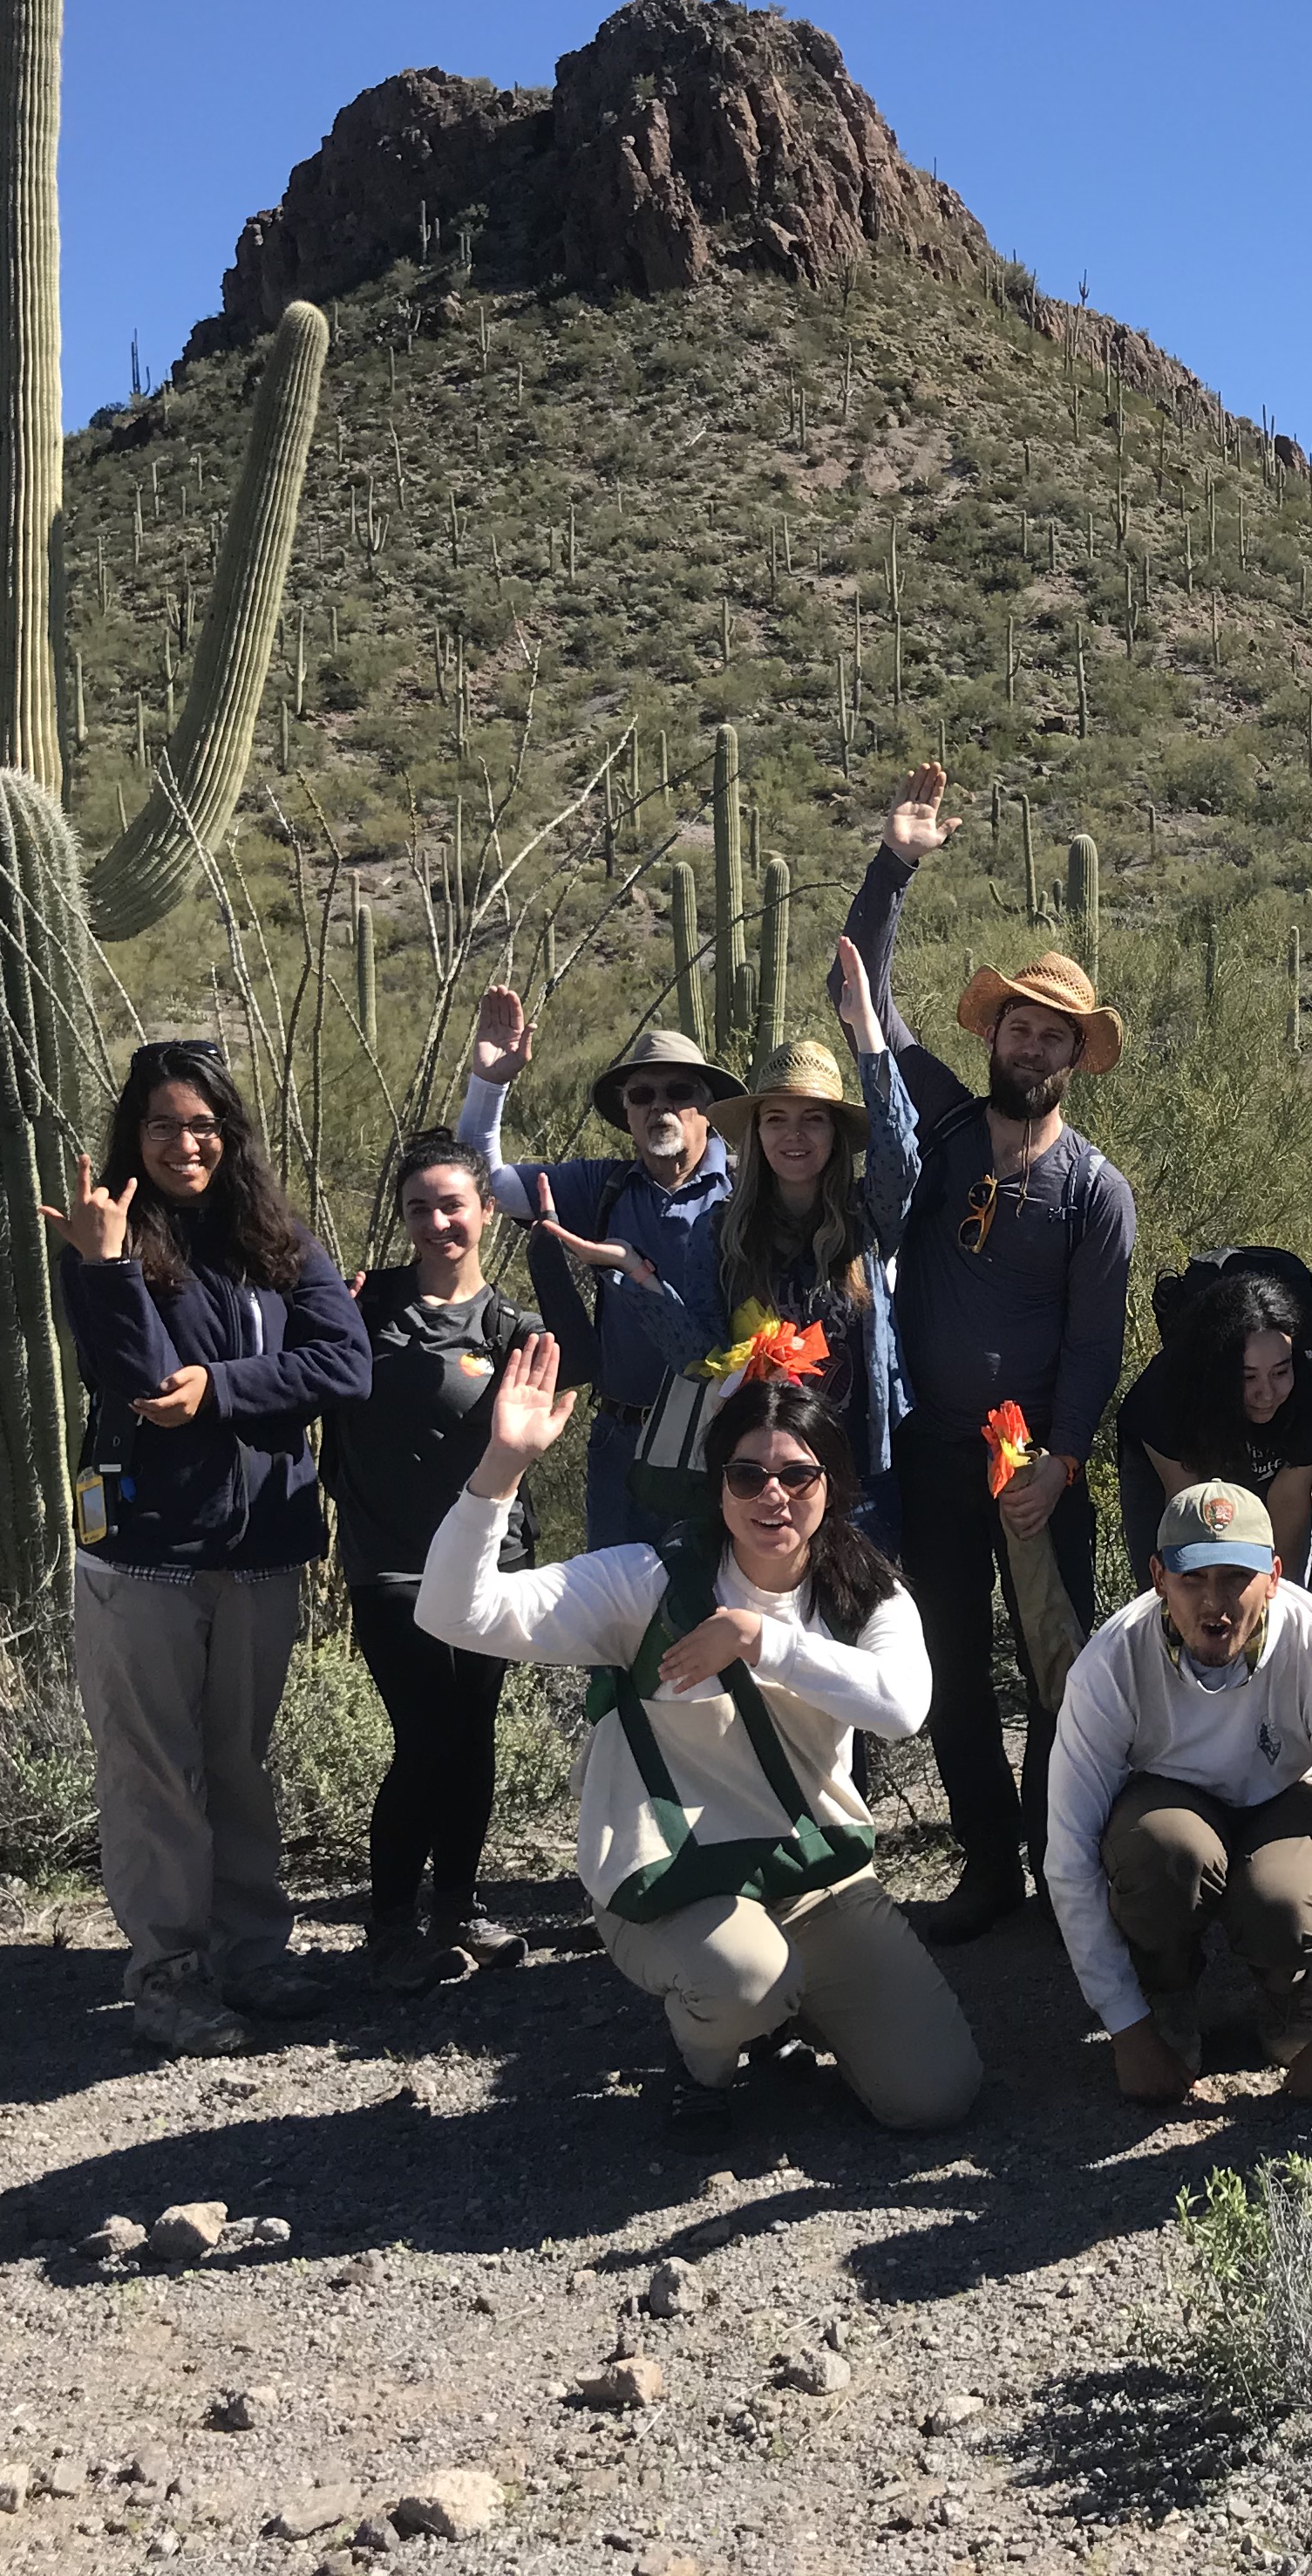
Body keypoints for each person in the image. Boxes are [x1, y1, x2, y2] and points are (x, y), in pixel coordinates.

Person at [415, 1337, 982, 2140]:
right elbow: (455, 1613)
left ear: (834, 1485)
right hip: (672, 1881)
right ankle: (704, 2060)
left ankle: (789, 2010)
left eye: (798, 1475)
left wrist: (760, 1641)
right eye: (747, 1475)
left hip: (807, 1877)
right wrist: (501, 1468)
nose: (772, 1495)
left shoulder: (865, 1596)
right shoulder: (646, 1585)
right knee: (744, 1977)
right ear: (717, 1486)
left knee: (935, 2096)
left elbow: (901, 1709)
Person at [840, 762, 1137, 1943]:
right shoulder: (940, 1119)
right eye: (1019, 1023)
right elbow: (855, 988)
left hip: (1041, 1471)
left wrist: (1062, 1459)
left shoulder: (1092, 1190)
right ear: (997, 1034)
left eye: (1053, 1032)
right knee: (954, 1670)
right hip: (932, 1455)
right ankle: (987, 1869)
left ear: (1074, 1053)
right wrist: (893, 865)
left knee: (1062, 1676)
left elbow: (1093, 1337)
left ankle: (1065, 1859)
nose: (1032, 1043)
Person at [46, 1039, 372, 2057]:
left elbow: (346, 1363)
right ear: (132, 1138)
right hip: (147, 1547)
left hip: (263, 1543)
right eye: (162, 1126)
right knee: (154, 1771)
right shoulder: (102, 1244)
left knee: (239, 1763)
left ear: (230, 1135)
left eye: (202, 1125)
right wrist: (105, 1266)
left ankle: (252, 1952)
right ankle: (170, 1974)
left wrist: (223, 1389)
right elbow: (144, 1380)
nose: (185, 1144)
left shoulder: (277, 1240)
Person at [1044, 1479, 1312, 2108]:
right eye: (1193, 1579)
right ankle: (1164, 1992)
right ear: (1157, 1577)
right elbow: (1067, 1856)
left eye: (1237, 1577)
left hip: (1287, 1800)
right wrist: (1125, 2027)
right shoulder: (1109, 1665)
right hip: (1168, 1805)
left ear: (1274, 1575)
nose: (1216, 1603)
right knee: (1162, 1855)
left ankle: (1290, 1990)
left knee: (1288, 1902)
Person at [561, 937, 918, 1546]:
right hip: (763, 1484)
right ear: (755, 1134)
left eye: (812, 1118)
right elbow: (698, 1353)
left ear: (835, 1133)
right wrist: (638, 1275)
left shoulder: (865, 1218)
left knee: (856, 1630)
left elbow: (900, 1158)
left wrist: (868, 1034)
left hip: (861, 1476)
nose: (794, 1135)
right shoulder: (724, 1228)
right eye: (775, 1119)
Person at [321, 1134, 546, 1993]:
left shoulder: (513, 1327)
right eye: (419, 1208)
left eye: (453, 1205)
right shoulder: (359, 1302)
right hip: (390, 1564)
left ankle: (457, 1906)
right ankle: (389, 1927)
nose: (436, 1223)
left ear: (486, 1211)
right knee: (426, 1739)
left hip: (492, 1566)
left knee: (472, 1738)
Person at [455, 992, 740, 1552]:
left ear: (707, 1106)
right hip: (622, 1439)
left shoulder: (747, 1188)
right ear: (628, 1113)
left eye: (678, 1091)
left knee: (716, 1616)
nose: (659, 1105)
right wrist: (489, 1085)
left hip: (724, 1442)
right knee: (614, 1616)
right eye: (642, 1094)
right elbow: (478, 1183)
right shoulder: (601, 1186)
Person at [1111, 1255, 1312, 1586]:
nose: (1267, 1393)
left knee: (1279, 1598)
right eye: (1247, 1377)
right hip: (1176, 1481)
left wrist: (1275, 1605)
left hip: (1272, 1484)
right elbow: (1193, 1514)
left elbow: (1287, 1504)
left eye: (1280, 1372)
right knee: (1177, 1596)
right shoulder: (1170, 1388)